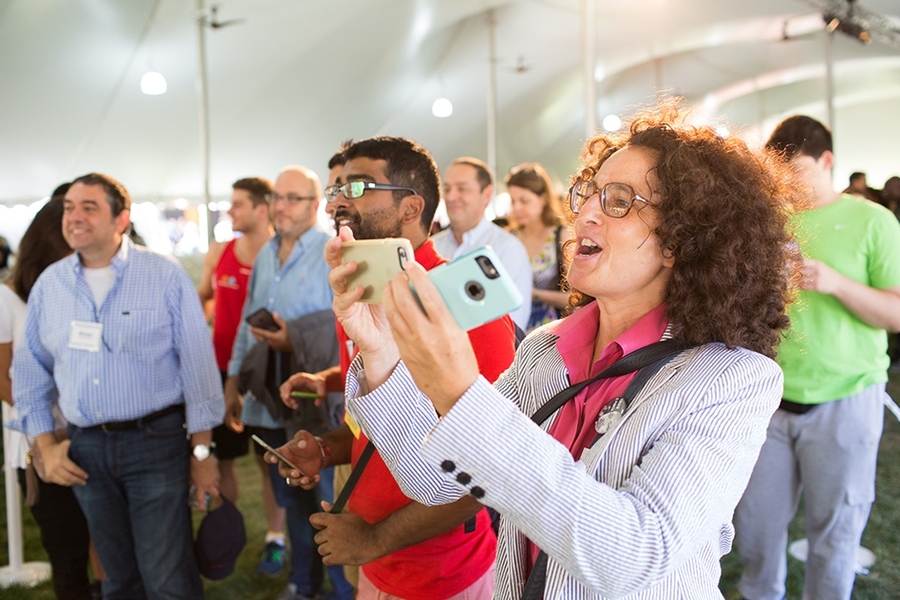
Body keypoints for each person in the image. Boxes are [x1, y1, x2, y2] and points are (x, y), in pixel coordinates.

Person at [287, 103, 799, 598]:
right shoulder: (545, 350)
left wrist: (460, 394)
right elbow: (436, 481)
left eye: (619, 201)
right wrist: (376, 351)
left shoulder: (731, 378)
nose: (586, 214)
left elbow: (633, 556)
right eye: (589, 193)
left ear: (680, 240)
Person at [275, 136, 515, 600]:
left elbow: (487, 474)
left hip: (443, 575)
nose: (340, 200)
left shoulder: (469, 310)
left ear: (411, 209)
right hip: (376, 565)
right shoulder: (361, 292)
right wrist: (323, 451)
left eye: (359, 187)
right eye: (337, 188)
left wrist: (374, 540)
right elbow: (375, 430)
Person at [10, 172, 223, 599]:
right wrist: (45, 445)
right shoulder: (51, 285)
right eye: (70, 207)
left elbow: (199, 370)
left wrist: (202, 453)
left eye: (90, 207)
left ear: (121, 218)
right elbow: (30, 373)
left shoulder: (163, 275)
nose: (75, 217)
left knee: (167, 577)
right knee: (116, 578)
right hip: (85, 448)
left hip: (156, 442)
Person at [734, 115, 900, 600]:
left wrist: (836, 283)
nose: (789, 187)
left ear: (827, 162)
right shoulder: (769, 221)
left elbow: (895, 313)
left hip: (847, 401)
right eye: (779, 177)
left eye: (798, 173)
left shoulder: (874, 220)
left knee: (836, 537)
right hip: (768, 401)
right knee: (756, 532)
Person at [223, 166, 350, 600]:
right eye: (278, 197)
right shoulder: (265, 253)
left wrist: (292, 337)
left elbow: (344, 325)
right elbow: (246, 320)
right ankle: (303, 583)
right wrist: (233, 380)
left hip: (315, 396)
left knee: (327, 500)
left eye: (292, 198)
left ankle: (342, 588)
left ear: (315, 206)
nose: (281, 206)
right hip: (267, 390)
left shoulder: (330, 251)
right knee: (290, 491)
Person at [0, 192, 103, 599]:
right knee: (67, 551)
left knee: (105, 542)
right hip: (38, 441)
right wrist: (48, 433)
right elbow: (6, 381)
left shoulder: (76, 288)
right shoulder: (8, 299)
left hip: (89, 433)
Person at [196, 176, 283, 574]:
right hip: (220, 369)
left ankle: (275, 539)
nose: (229, 211)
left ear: (261, 209)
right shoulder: (219, 252)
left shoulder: (281, 254)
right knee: (225, 460)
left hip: (267, 373)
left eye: (237, 205)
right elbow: (202, 298)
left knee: (271, 460)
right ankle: (228, 534)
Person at [431, 157, 532, 330]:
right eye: (446, 189)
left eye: (462, 189)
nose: (450, 196)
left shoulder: (507, 249)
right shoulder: (433, 246)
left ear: (486, 194)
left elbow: (513, 326)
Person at [505, 162, 573, 331]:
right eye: (513, 201)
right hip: (514, 328)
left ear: (543, 199)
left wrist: (535, 294)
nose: (517, 208)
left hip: (552, 331)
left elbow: (577, 297)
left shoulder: (561, 235)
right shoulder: (510, 237)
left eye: (524, 201)